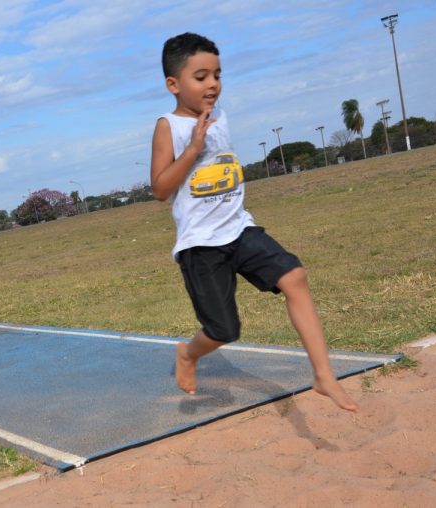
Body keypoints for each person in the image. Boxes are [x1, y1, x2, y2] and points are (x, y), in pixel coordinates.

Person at [150, 32, 358, 412]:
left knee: (294, 275)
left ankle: (323, 374)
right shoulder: (169, 126)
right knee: (223, 331)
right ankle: (188, 353)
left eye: (217, 74)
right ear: (173, 84)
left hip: (240, 228)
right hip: (201, 245)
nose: (213, 84)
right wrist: (193, 149)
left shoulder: (219, 116)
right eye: (201, 77)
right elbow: (161, 188)